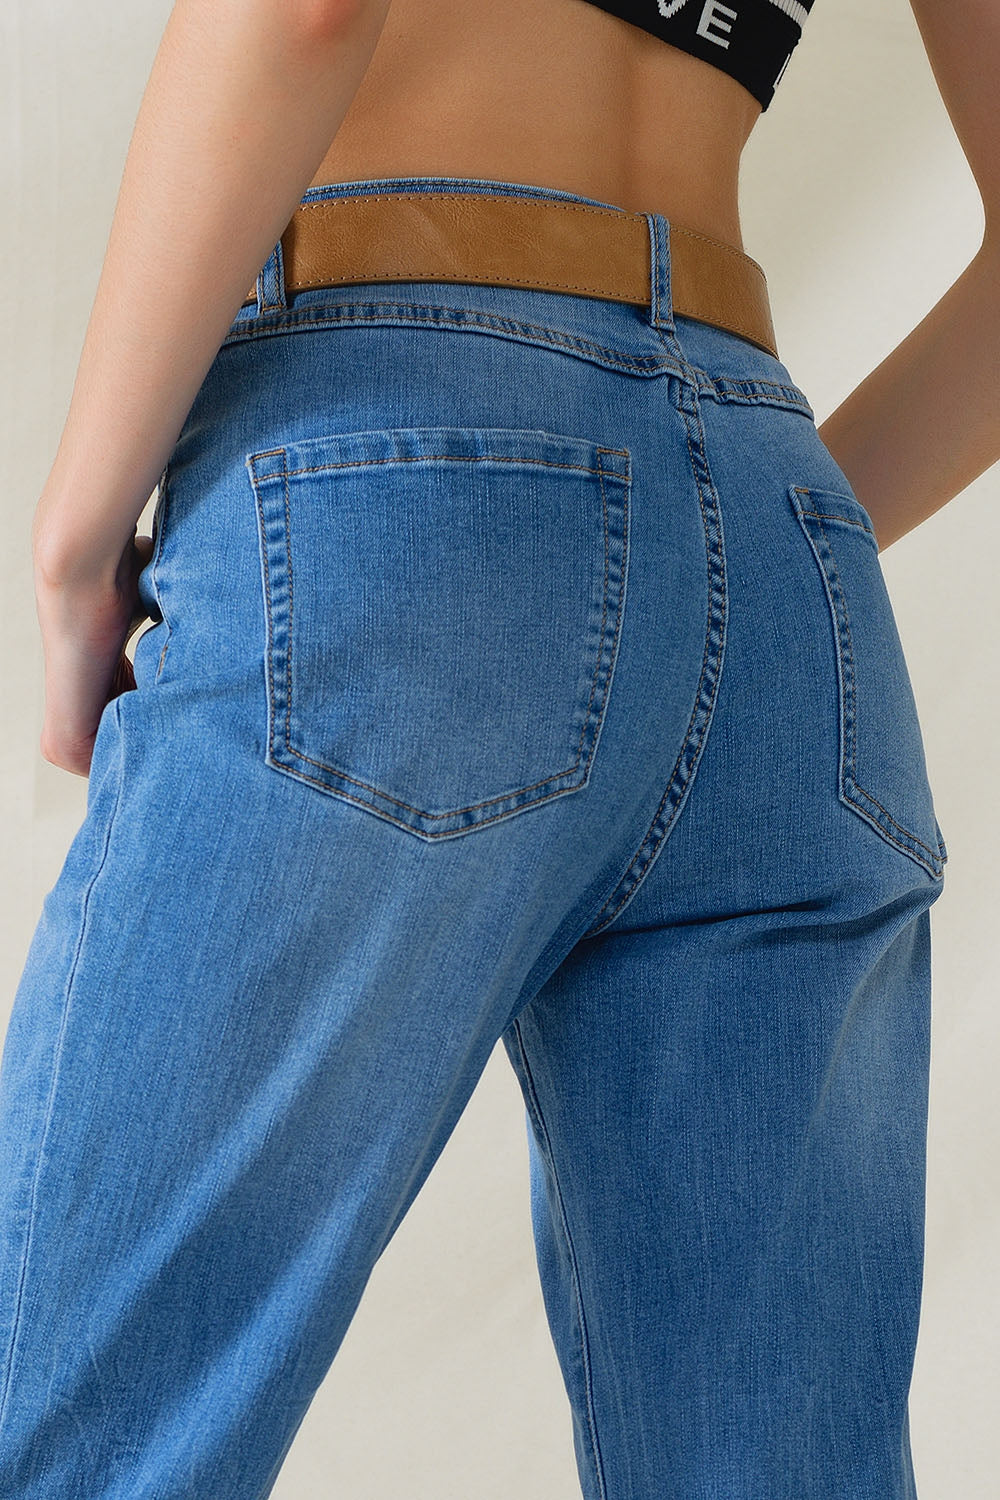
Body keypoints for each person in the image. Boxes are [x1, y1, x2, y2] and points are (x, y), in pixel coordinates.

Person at [1, 0, 994, 1494]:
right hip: (780, 538)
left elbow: (305, 11)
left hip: (404, 451)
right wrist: (755, 554)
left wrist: (75, 543)